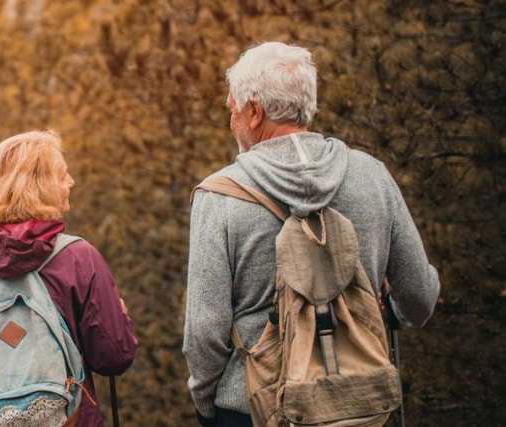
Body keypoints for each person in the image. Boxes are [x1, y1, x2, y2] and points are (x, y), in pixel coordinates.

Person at [183, 41, 441, 426]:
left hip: (254, 408)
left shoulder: (220, 196)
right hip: (362, 406)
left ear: (254, 112)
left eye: (232, 109)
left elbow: (205, 331)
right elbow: (420, 297)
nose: (231, 119)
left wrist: (208, 404)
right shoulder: (372, 175)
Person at [0, 130, 137, 426]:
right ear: (42, 185)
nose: (71, 181)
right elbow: (114, 357)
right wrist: (121, 321)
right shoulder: (79, 257)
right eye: (63, 175)